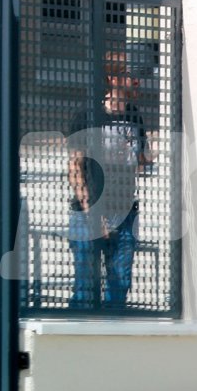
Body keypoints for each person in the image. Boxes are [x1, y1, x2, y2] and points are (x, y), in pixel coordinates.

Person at [66, 50, 151, 309]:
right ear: (114, 80)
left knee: (120, 285)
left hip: (124, 212)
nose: (137, 83)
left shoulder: (135, 116)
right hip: (89, 211)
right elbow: (75, 167)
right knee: (86, 288)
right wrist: (92, 212)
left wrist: (146, 155)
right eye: (131, 77)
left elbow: (140, 162)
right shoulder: (88, 115)